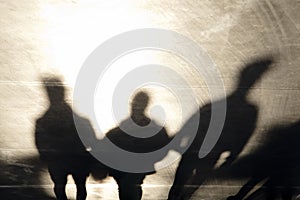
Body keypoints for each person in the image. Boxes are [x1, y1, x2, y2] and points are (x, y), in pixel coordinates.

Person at [168, 58, 273, 200]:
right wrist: (232, 156)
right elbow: (244, 135)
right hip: (208, 152)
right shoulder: (247, 111)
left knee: (180, 186)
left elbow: (193, 122)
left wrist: (178, 140)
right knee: (188, 186)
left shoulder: (219, 105)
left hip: (197, 148)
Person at [35, 77, 97, 200]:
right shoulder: (80, 121)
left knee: (61, 188)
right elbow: (92, 140)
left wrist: (46, 155)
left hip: (59, 161)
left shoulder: (43, 121)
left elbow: (41, 143)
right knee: (79, 188)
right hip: (76, 159)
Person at [106, 91, 171, 200]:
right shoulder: (130, 124)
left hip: (134, 163)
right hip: (125, 163)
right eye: (134, 103)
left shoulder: (149, 126)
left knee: (128, 186)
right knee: (127, 187)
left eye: (136, 104)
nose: (133, 106)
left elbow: (161, 144)